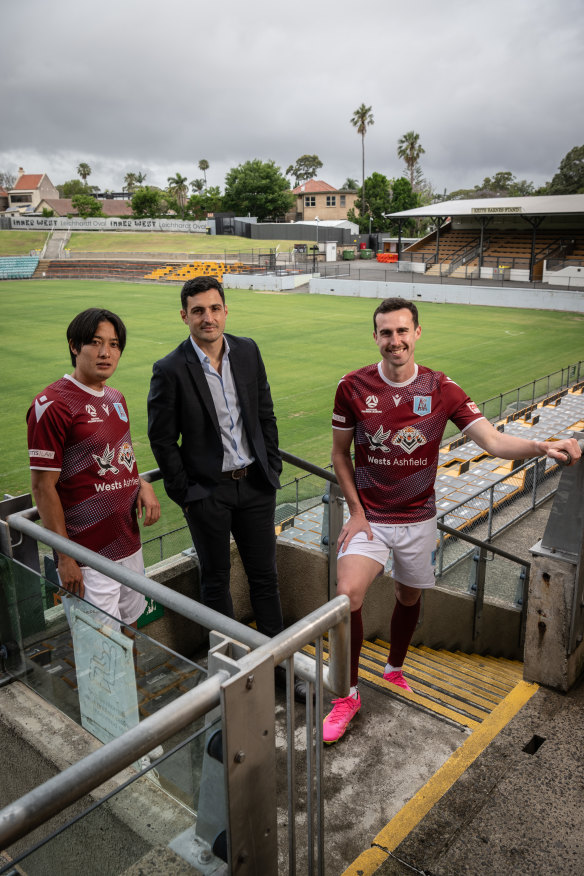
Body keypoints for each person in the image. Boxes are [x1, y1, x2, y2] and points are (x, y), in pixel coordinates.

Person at [324, 296, 581, 744]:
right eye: (386, 332)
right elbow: (338, 455)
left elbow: (495, 443)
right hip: (371, 518)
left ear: (417, 333)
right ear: (375, 337)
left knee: (408, 597)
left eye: (403, 331)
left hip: (420, 518)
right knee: (347, 596)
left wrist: (543, 446)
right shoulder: (352, 386)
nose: (395, 340)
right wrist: (357, 511)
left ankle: (394, 668)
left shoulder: (441, 388)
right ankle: (346, 695)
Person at [147, 276, 307, 701]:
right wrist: (187, 493)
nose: (207, 317)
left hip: (255, 486)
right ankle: (234, 673)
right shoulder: (169, 369)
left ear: (225, 311)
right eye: (197, 310)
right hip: (208, 494)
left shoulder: (249, 351)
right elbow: (162, 439)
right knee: (215, 582)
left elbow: (265, 413)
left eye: (214, 308)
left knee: (265, 579)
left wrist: (270, 467)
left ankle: (277, 668)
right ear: (184, 316)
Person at [27, 308, 160, 630]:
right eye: (96, 343)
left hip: (129, 543)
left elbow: (119, 454)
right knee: (100, 649)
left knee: (130, 628)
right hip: (88, 557)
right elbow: (43, 487)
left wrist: (141, 482)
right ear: (75, 346)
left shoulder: (116, 397)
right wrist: (65, 557)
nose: (106, 353)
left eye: (114, 345)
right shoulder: (53, 404)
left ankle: (133, 682)